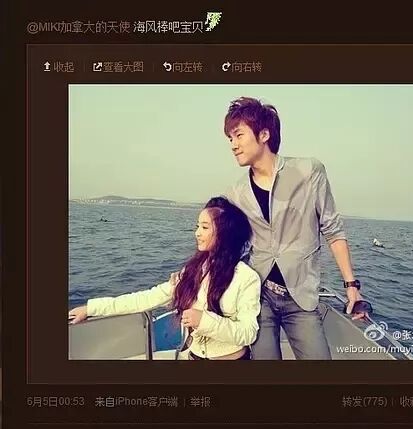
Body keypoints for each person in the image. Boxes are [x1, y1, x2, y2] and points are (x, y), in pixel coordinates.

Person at [222, 96, 368, 360]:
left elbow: (333, 230)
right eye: (230, 138)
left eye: (239, 135)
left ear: (264, 134)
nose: (233, 145)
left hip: (301, 295)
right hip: (258, 296)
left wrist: (351, 285)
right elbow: (227, 244)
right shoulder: (236, 193)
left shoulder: (309, 172)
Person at [69, 197, 261, 360]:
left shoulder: (246, 278)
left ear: (225, 233)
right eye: (197, 226)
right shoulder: (193, 271)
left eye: (204, 227)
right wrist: (91, 308)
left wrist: (205, 321)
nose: (197, 233)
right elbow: (146, 298)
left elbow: (248, 333)